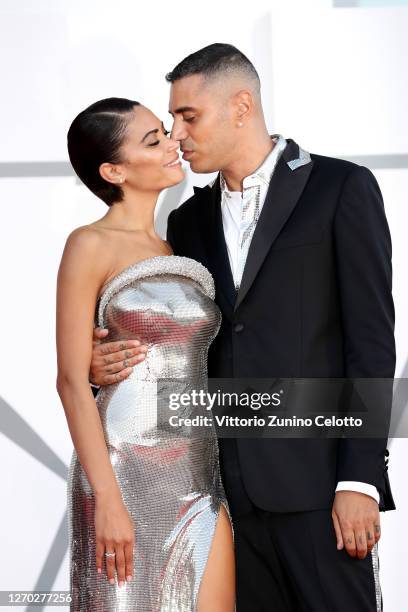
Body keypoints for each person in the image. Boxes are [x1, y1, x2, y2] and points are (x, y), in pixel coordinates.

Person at [90, 45, 396, 611]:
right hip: (223, 501)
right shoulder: (185, 221)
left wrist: (359, 480)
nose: (177, 134)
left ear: (240, 106)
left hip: (319, 488)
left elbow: (372, 343)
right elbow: (175, 335)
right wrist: (101, 358)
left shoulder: (341, 188)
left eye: (188, 116)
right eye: (171, 120)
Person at [56, 97, 235, 612]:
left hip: (199, 475)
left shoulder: (177, 244)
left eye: (165, 131)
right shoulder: (88, 244)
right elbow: (70, 382)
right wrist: (108, 499)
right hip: (123, 473)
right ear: (114, 170)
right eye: (153, 140)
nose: (172, 142)